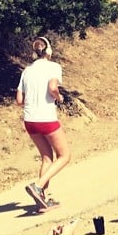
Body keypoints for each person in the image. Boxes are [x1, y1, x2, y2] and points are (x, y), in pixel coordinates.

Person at [16, 36, 71, 212]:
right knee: (65, 156)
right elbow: (53, 88)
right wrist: (59, 98)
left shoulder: (27, 70)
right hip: (46, 118)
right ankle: (38, 187)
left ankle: (43, 201)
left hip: (29, 120)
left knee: (47, 157)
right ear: (48, 50)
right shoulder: (54, 67)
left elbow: (19, 100)